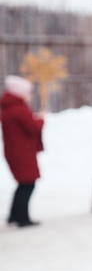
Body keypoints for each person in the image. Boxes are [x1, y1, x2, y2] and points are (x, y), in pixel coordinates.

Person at [3, 76, 45, 228]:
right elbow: (33, 127)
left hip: (18, 150)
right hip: (21, 152)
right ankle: (22, 218)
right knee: (27, 183)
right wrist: (41, 119)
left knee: (24, 183)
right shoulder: (17, 109)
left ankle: (14, 215)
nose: (30, 95)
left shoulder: (10, 107)